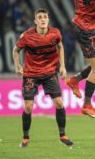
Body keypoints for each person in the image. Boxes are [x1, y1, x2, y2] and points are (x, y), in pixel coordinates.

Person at [12, 9, 73, 148]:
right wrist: (17, 66)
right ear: (35, 21)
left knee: (59, 103)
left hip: (49, 73)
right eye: (40, 17)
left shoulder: (55, 33)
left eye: (45, 17)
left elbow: (60, 46)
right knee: (28, 107)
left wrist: (62, 66)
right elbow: (16, 50)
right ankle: (26, 137)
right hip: (31, 74)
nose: (43, 19)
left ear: (48, 20)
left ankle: (62, 135)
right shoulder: (27, 36)